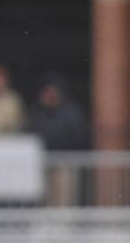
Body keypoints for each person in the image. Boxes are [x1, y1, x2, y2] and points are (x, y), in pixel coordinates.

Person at [27, 74, 90, 206]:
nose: (49, 96)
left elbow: (79, 136)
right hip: (42, 163)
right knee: (44, 199)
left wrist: (58, 145)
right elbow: (31, 135)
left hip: (65, 163)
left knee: (65, 199)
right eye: (46, 92)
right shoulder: (36, 113)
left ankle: (65, 225)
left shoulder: (71, 112)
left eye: (52, 92)